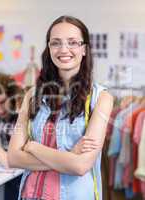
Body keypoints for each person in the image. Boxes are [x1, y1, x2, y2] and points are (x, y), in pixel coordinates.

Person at [8, 15, 114, 200]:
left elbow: (80, 167)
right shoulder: (32, 96)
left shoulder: (102, 99)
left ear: (84, 49)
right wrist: (69, 156)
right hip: (30, 195)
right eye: (55, 43)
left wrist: (33, 147)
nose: (63, 49)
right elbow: (13, 158)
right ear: (49, 49)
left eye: (72, 42)